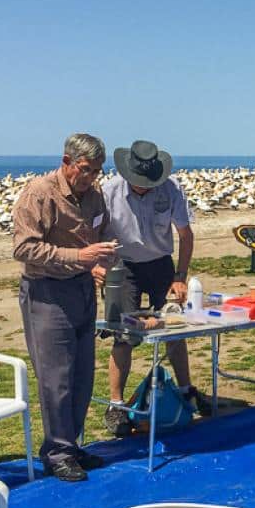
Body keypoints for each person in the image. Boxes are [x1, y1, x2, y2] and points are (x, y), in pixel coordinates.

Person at [13, 133, 118, 483]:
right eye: (85, 170)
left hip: (82, 289)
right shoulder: (39, 194)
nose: (90, 178)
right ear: (67, 162)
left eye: (97, 172)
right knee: (56, 379)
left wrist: (101, 260)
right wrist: (80, 257)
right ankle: (56, 453)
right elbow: (25, 249)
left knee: (82, 376)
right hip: (47, 292)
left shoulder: (95, 196)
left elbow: (98, 235)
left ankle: (70, 446)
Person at [100, 140, 211, 433]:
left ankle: (186, 390)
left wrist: (180, 276)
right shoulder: (108, 192)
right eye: (138, 184)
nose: (143, 188)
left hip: (161, 262)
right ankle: (116, 405)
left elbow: (185, 235)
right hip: (124, 267)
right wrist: (101, 270)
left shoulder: (171, 187)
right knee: (123, 334)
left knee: (175, 327)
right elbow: (94, 235)